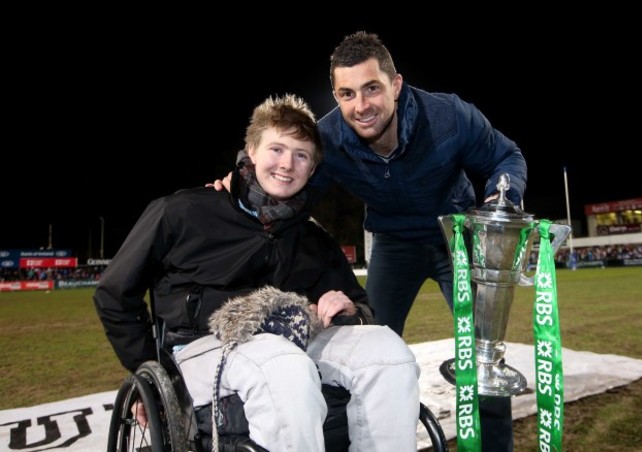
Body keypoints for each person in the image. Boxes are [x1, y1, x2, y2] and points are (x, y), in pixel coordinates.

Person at [214, 32, 527, 451]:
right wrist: (240, 187)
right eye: (347, 94)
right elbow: (292, 189)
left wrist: (501, 197)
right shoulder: (328, 139)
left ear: (395, 85)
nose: (360, 106)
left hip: (457, 241)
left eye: (372, 88)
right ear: (336, 96)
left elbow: (507, 157)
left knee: (481, 352)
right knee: (367, 345)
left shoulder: (450, 116)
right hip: (393, 245)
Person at [93, 93, 421, 452]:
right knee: (280, 363)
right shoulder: (182, 211)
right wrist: (151, 371)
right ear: (251, 150)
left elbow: (360, 305)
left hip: (293, 342)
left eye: (301, 155)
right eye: (277, 149)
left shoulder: (312, 237)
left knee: (388, 351)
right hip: (200, 349)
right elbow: (113, 294)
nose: (287, 164)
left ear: (312, 170)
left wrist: (348, 310)